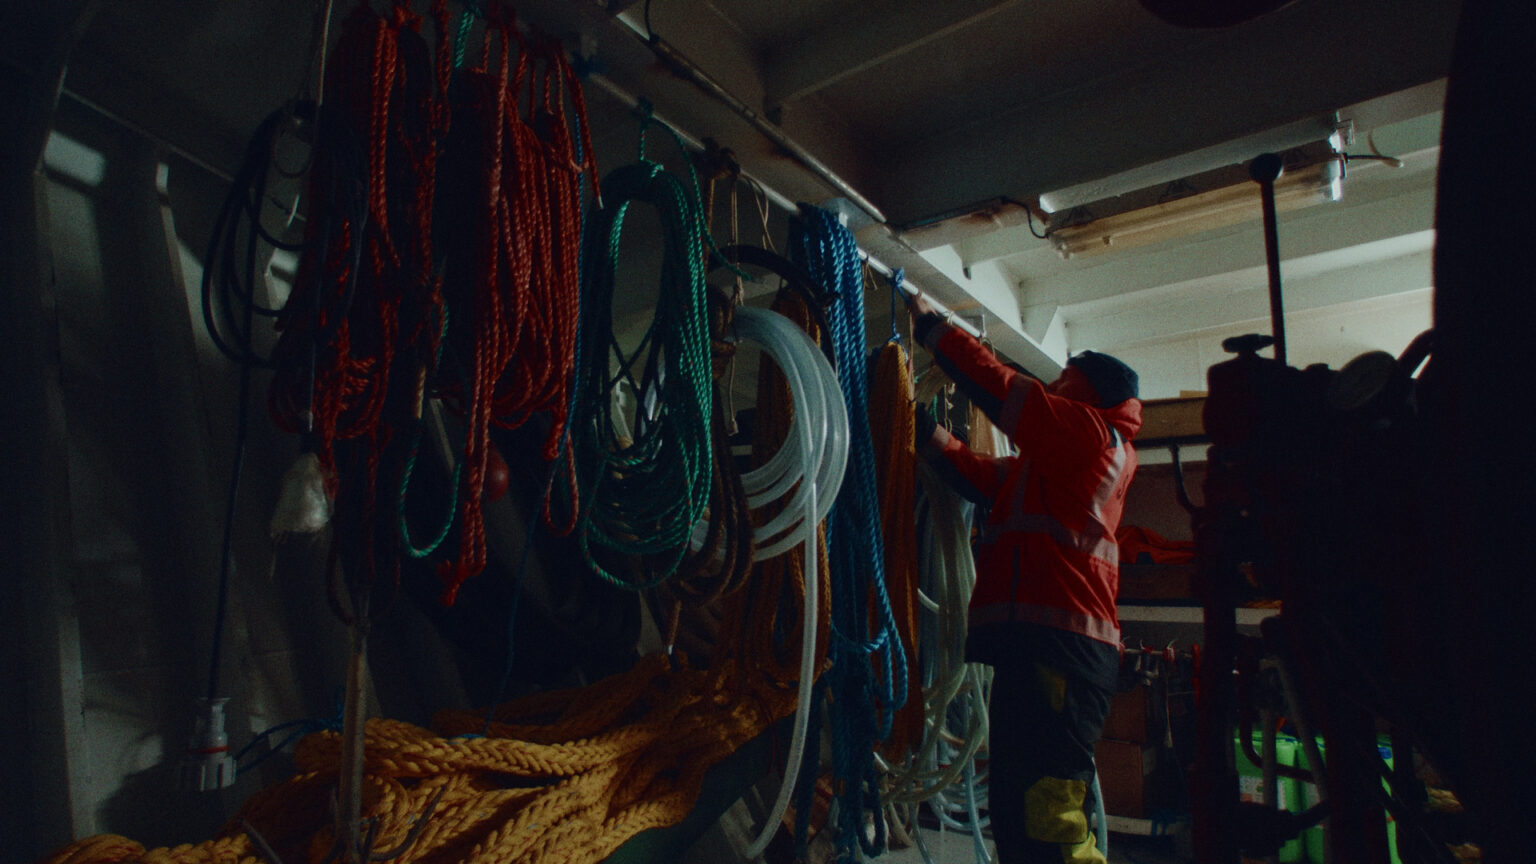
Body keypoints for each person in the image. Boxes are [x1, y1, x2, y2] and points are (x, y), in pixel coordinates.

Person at [903, 290, 1142, 864]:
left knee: (1048, 808)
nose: (1054, 385)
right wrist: (919, 429)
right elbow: (982, 476)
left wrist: (934, 328)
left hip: (1062, 650)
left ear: (1086, 390)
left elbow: (1009, 394)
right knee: (1016, 801)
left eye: (1065, 378)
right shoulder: (1055, 464)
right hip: (1043, 648)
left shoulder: (1090, 436)